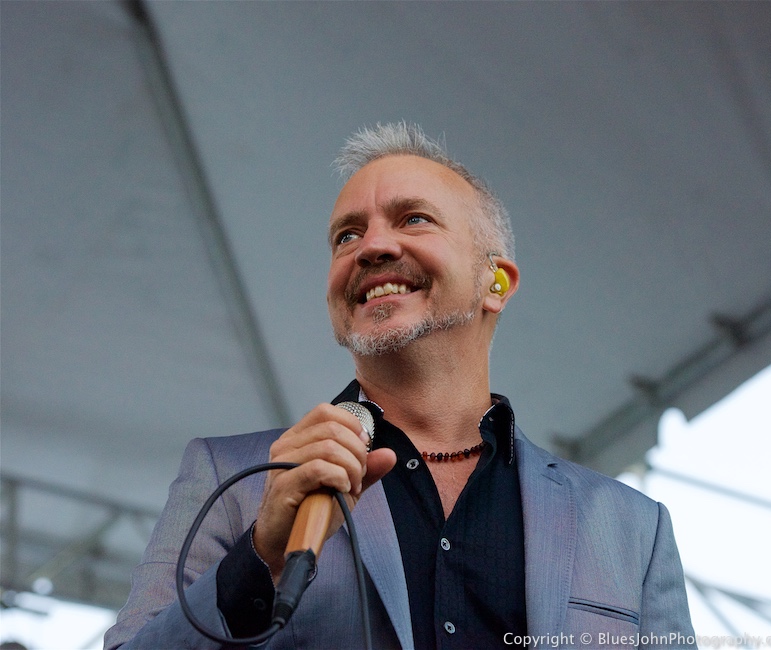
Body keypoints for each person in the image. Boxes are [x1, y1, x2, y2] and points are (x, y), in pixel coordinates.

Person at [105, 122, 696, 649]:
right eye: (346, 236)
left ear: (495, 282)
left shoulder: (631, 529)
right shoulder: (232, 479)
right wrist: (259, 558)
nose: (372, 247)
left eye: (414, 219)